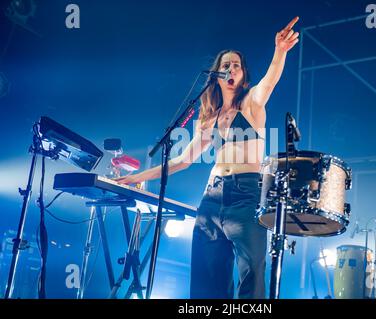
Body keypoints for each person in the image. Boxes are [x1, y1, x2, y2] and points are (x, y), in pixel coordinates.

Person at [115, 16, 300, 299]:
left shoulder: (251, 103)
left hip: (246, 194)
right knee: (206, 279)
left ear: (242, 74)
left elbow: (270, 80)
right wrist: (134, 178)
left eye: (236, 64)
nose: (231, 68)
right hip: (211, 198)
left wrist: (280, 51)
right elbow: (182, 161)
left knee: (251, 275)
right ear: (216, 73)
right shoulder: (208, 118)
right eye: (225, 64)